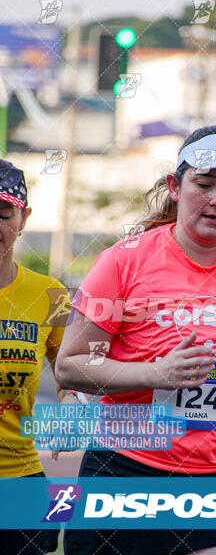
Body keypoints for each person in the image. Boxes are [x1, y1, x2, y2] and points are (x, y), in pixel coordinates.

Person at [56, 125, 216, 555]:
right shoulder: (122, 262)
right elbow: (71, 364)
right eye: (204, 183)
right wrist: (155, 373)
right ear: (175, 187)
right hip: (130, 468)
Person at [0, 159, 75, 554]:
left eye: (3, 212)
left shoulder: (50, 295)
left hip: (20, 481)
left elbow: (71, 376)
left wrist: (70, 415)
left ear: (23, 218)